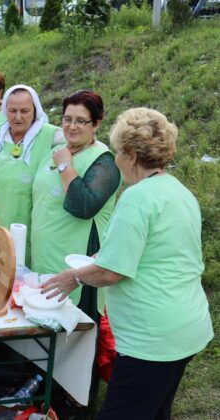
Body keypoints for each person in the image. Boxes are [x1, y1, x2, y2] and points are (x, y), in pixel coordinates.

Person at [42, 108, 214, 420]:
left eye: (119, 151)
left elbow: (111, 272)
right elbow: (157, 251)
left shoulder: (137, 199)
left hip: (153, 339)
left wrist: (74, 277)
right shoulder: (178, 191)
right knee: (155, 410)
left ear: (132, 156)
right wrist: (103, 256)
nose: (117, 159)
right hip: (187, 327)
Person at [31, 90, 120, 316]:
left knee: (72, 327)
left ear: (96, 123)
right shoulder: (56, 151)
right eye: (67, 119)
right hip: (43, 255)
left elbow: (83, 206)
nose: (72, 126)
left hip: (76, 262)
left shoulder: (104, 161)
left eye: (81, 121)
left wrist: (65, 167)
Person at [0, 85, 63, 249]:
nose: (18, 117)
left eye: (25, 111)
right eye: (12, 110)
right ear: (4, 110)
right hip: (3, 228)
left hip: (37, 234)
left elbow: (81, 139)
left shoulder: (49, 135)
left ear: (35, 111)